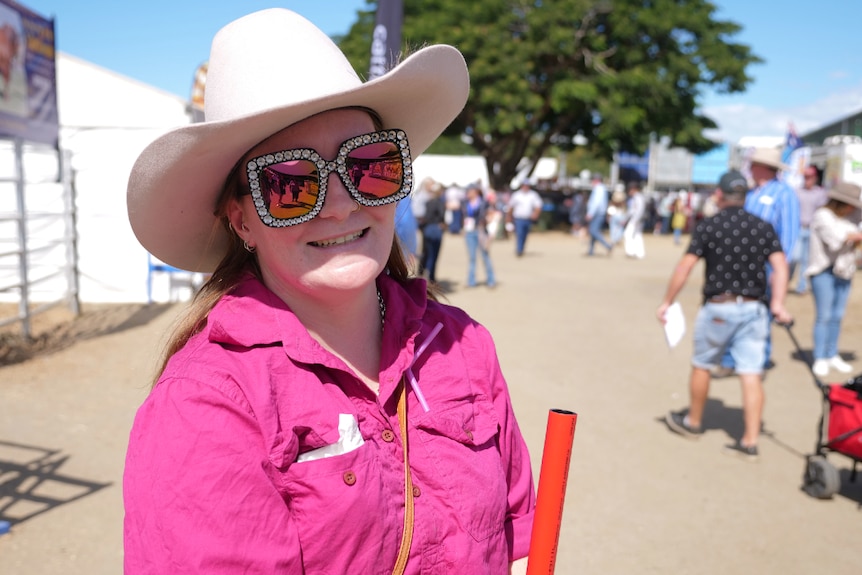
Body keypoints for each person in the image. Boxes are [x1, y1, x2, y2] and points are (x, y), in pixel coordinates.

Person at [123, 9, 535, 573]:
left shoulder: (463, 345)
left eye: (369, 165)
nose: (341, 203)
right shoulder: (205, 404)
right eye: (290, 183)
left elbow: (517, 540)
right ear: (241, 220)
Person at [657, 170, 791, 462]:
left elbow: (685, 267)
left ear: (719, 194)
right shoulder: (762, 226)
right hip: (755, 308)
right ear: (745, 196)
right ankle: (750, 440)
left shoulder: (710, 226)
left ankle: (693, 422)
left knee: (702, 364)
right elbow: (781, 267)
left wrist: (668, 301)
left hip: (719, 306)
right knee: (751, 372)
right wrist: (778, 303)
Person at [714, 147, 800, 376]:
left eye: (753, 164)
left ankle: (758, 360)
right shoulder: (749, 193)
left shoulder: (785, 194)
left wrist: (781, 269)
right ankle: (730, 360)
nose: (749, 168)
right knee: (733, 308)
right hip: (741, 264)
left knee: (762, 314)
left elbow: (790, 235)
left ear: (764, 167)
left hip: (768, 264)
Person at [804, 181, 862, 377]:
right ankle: (820, 356)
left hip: (844, 270)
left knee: (837, 316)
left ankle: (832, 353)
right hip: (823, 271)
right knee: (824, 316)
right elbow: (835, 241)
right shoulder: (822, 215)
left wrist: (853, 235)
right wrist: (854, 235)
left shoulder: (851, 216)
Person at [791, 165, 828, 294]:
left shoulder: (820, 193)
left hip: (813, 231)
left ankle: (801, 286)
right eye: (805, 176)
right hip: (798, 229)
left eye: (810, 177)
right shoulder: (796, 191)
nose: (807, 179)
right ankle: (786, 279)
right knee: (794, 257)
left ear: (815, 178)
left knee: (806, 260)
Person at [462, 184, 497, 288]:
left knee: (485, 255)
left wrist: (488, 223)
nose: (467, 193)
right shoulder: (465, 203)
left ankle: (491, 280)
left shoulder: (484, 202)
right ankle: (471, 281)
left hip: (481, 230)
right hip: (469, 231)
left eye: (469, 191)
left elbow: (492, 214)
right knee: (472, 257)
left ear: (475, 191)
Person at [419, 182, 447, 282]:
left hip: (428, 229)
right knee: (433, 256)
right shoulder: (440, 203)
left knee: (427, 253)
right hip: (435, 230)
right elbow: (442, 217)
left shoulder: (428, 203)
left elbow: (424, 217)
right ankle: (431, 277)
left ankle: (424, 274)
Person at [507, 180, 542, 257]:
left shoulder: (533, 195)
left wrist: (535, 214)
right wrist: (509, 217)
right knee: (519, 234)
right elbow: (511, 207)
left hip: (528, 218)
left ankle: (521, 248)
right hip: (518, 218)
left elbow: (538, 206)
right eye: (524, 185)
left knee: (525, 235)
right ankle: (519, 250)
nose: (525, 187)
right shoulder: (516, 195)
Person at [585, 173, 613, 256]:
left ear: (596, 180)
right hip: (597, 213)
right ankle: (590, 251)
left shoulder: (599, 189)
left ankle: (608, 246)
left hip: (597, 214)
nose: (591, 181)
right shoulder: (600, 188)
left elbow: (596, 203)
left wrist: (590, 213)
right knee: (593, 232)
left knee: (593, 231)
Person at [623, 180, 646, 259]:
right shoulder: (637, 197)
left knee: (628, 234)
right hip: (636, 219)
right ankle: (640, 253)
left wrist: (636, 219)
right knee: (637, 235)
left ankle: (631, 251)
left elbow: (639, 209)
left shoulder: (638, 197)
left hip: (635, 219)